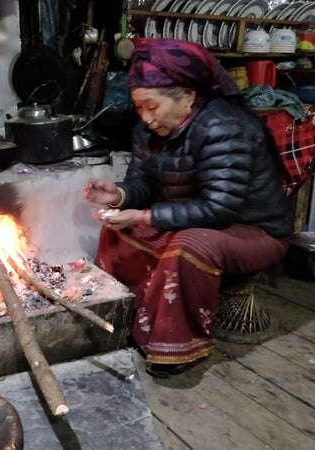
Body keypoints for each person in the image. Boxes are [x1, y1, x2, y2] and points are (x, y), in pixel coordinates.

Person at [83, 39, 294, 378]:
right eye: (139, 108)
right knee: (118, 226)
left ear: (188, 97)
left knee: (189, 246)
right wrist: (119, 196)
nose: (146, 117)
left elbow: (220, 208)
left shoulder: (224, 127)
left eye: (152, 106)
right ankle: (128, 318)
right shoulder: (148, 129)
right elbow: (145, 184)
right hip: (197, 218)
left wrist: (145, 215)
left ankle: (178, 346)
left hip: (255, 231)